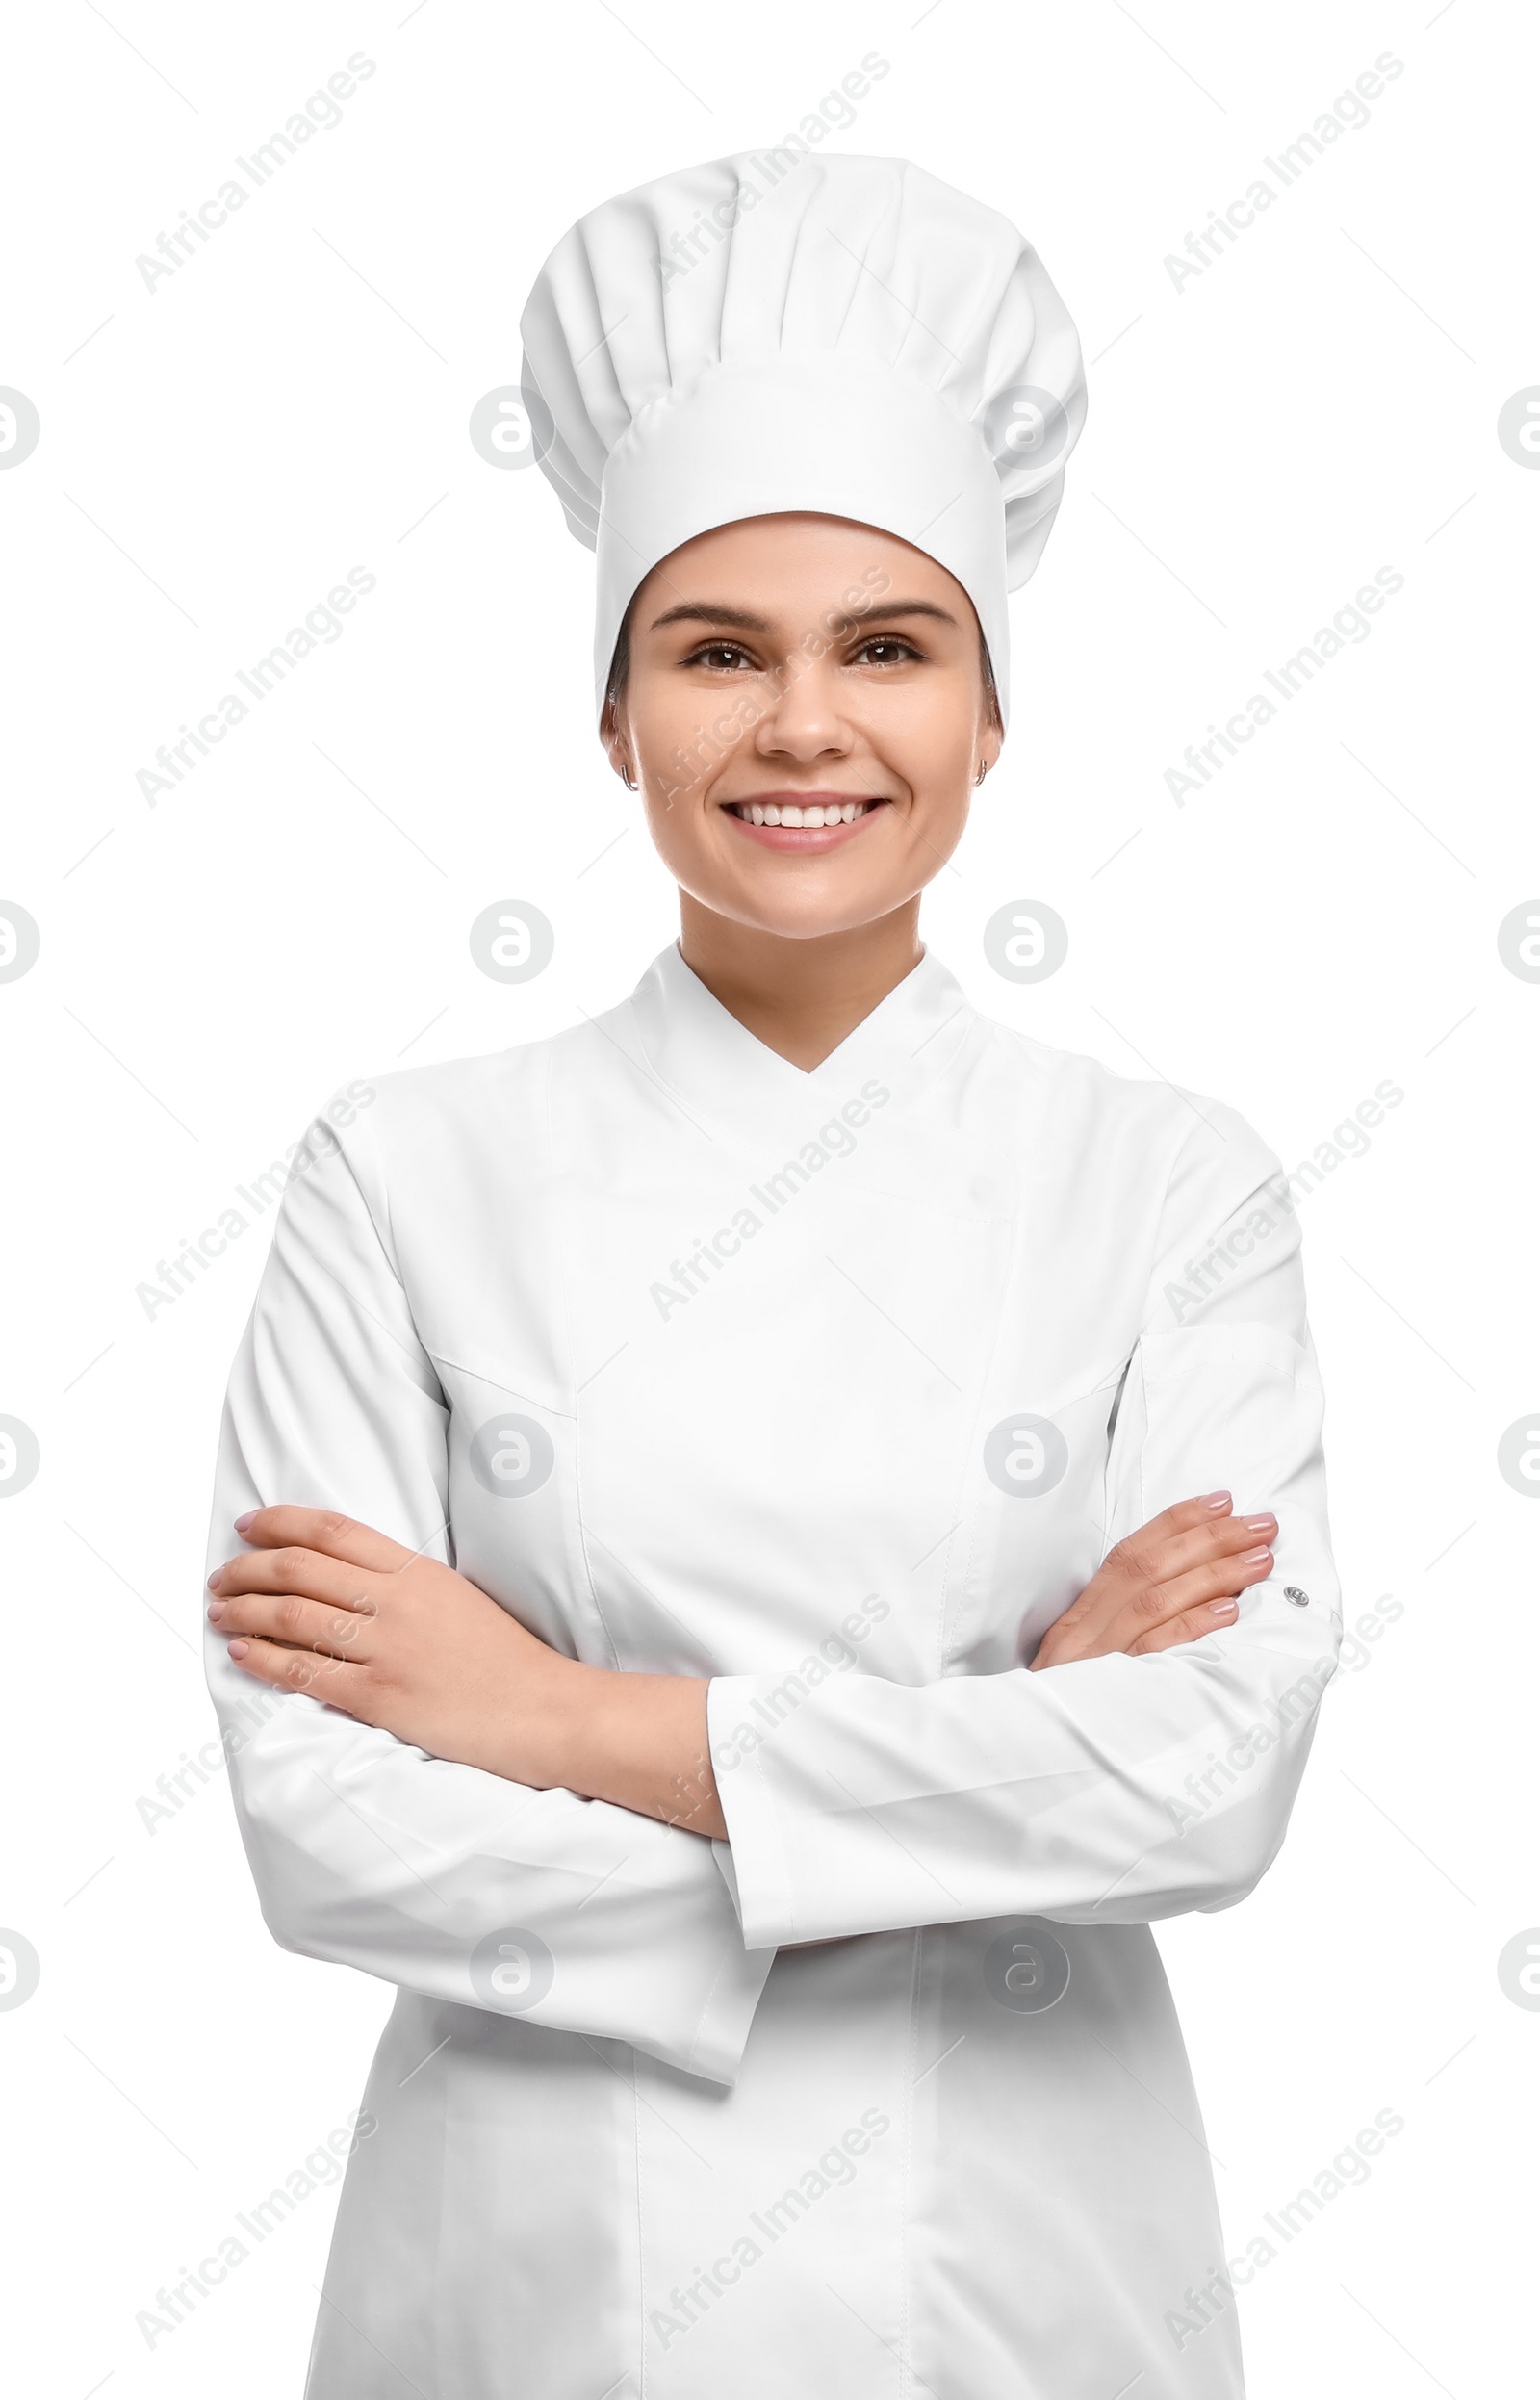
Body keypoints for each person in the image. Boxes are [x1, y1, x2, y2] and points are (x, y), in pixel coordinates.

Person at [202, 152, 1340, 2399]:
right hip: (532, 2285)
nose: (801, 724)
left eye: (886, 648)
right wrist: (997, 1753)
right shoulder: (401, 1171)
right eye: (717, 651)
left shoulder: (1168, 1185)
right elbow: (323, 1816)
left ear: (987, 716)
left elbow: (1203, 1777)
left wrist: (555, 1722)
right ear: (614, 717)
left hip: (1019, 2274)